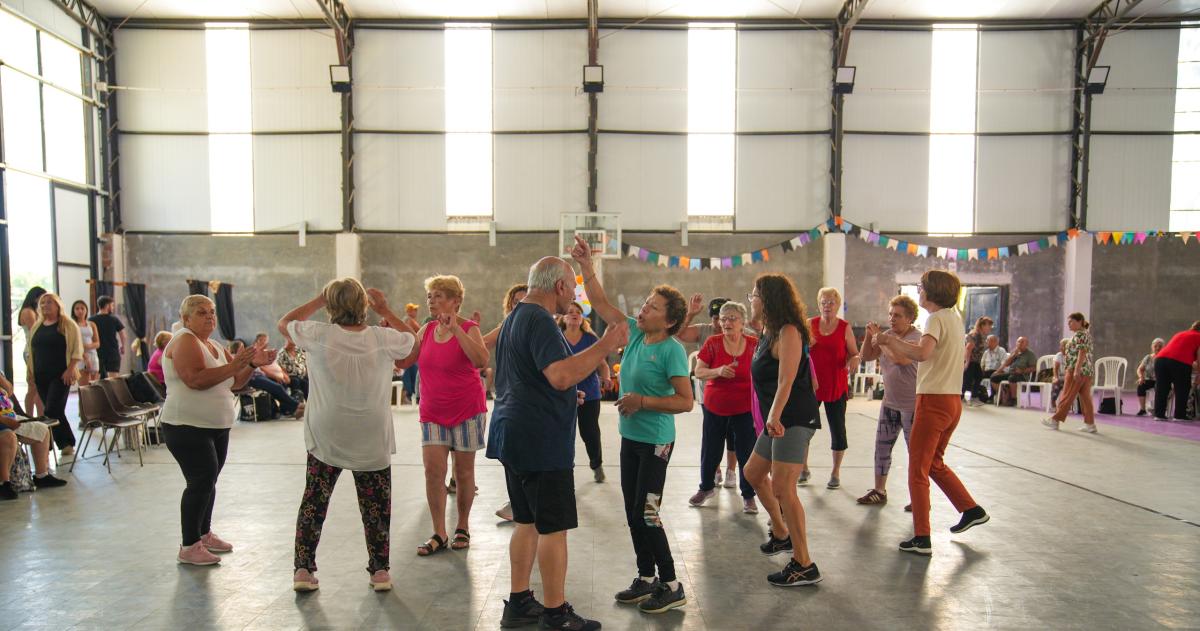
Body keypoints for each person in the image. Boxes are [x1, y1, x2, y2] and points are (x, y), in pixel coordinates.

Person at [487, 241, 627, 631]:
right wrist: (605, 344)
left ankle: (519, 603)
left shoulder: (517, 315)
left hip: (513, 431)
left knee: (527, 521)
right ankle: (555, 612)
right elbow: (561, 373)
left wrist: (565, 391)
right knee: (553, 527)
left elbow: (539, 375)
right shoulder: (540, 320)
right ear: (560, 287)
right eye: (572, 287)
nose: (573, 296)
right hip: (539, 438)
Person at [575, 240, 693, 614]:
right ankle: (646, 577)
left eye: (653, 307)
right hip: (632, 439)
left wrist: (642, 401)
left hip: (657, 442)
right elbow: (600, 302)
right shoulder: (637, 333)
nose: (643, 309)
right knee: (631, 509)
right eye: (645, 303)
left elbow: (686, 401)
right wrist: (586, 266)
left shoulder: (672, 349)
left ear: (670, 319)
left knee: (648, 512)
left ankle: (671, 582)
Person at [280, 280, 415, 592]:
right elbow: (413, 342)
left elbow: (284, 323)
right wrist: (385, 309)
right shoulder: (382, 338)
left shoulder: (317, 334)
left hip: (327, 432)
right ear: (364, 306)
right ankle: (379, 571)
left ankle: (303, 568)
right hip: (370, 432)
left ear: (330, 306)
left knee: (314, 501)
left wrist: (318, 298)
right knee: (376, 507)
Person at [873, 270, 989, 555]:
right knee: (934, 463)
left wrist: (888, 341)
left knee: (917, 469)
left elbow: (922, 353)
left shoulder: (935, 318)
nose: (919, 290)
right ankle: (970, 509)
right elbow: (925, 350)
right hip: (952, 401)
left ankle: (922, 536)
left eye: (921, 287)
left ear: (933, 291)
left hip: (933, 401)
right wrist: (893, 342)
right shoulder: (953, 317)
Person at [161, 295, 268, 566]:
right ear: (186, 319)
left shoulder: (214, 345)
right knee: (200, 480)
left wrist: (253, 365)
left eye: (212, 312)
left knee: (209, 481)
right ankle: (189, 545)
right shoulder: (185, 339)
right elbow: (195, 379)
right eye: (201, 313)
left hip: (215, 425)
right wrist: (234, 365)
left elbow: (234, 382)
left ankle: (203, 534)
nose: (209, 317)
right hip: (187, 425)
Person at [397, 275, 490, 556]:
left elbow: (481, 360)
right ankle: (439, 531)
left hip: (467, 410)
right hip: (433, 412)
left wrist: (457, 330)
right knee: (433, 472)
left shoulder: (469, 328)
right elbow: (404, 361)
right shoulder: (425, 330)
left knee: (463, 473)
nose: (432, 301)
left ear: (455, 301)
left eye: (439, 296)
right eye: (430, 296)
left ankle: (462, 525)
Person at [742, 273, 823, 586]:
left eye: (754, 294)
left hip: (793, 419)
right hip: (777, 421)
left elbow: (786, 379)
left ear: (768, 300)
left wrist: (774, 416)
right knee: (753, 473)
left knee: (783, 488)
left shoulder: (788, 332)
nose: (751, 299)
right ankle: (781, 531)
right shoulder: (768, 332)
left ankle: (804, 563)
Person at [688, 301, 759, 514]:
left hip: (745, 407)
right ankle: (706, 488)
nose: (726, 322)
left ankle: (748, 495)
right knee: (711, 449)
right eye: (723, 318)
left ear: (742, 322)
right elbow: (699, 372)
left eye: (732, 318)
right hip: (715, 405)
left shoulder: (754, 343)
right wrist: (718, 371)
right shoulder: (712, 343)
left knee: (746, 451)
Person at [856, 295, 922, 506]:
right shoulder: (887, 335)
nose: (892, 319)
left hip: (911, 406)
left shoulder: (917, 338)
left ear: (910, 318)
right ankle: (879, 490)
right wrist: (870, 337)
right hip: (890, 403)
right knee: (882, 448)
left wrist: (881, 339)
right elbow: (865, 356)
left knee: (916, 454)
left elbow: (900, 359)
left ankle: (919, 498)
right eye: (891, 314)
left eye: (898, 315)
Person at [677, 296, 739, 486]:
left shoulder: (738, 331)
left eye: (722, 318)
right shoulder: (704, 331)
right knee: (714, 435)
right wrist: (691, 314)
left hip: (734, 393)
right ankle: (716, 470)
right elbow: (679, 333)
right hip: (709, 395)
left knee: (733, 435)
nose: (719, 323)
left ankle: (731, 471)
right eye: (714, 318)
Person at [807, 287, 860, 490]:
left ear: (838, 305)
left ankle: (835, 472)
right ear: (818, 304)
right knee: (805, 428)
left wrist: (854, 360)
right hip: (812, 385)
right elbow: (798, 350)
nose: (827, 305)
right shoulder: (810, 324)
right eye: (823, 302)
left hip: (836, 385)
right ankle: (803, 468)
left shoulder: (844, 327)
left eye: (831, 302)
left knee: (838, 430)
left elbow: (854, 353)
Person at [485, 283, 528, 522]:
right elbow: (482, 345)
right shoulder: (505, 327)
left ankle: (519, 503)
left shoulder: (537, 327)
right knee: (506, 453)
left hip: (524, 402)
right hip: (505, 399)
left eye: (523, 302)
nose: (518, 307)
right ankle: (517, 500)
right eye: (514, 303)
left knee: (520, 454)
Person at [559, 301, 611, 484]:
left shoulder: (590, 339)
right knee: (563, 431)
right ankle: (563, 467)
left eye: (577, 312)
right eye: (570, 311)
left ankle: (596, 464)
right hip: (563, 393)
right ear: (563, 318)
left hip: (589, 394)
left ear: (582, 318)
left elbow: (603, 365)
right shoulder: (557, 338)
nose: (574, 314)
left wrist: (606, 378)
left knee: (589, 432)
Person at [28, 293, 83, 456]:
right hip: (41, 375)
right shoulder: (37, 326)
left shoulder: (68, 324)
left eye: (49, 302)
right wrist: (30, 373)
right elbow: (32, 352)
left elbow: (76, 349)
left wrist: (70, 369)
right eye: (42, 303)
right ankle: (64, 443)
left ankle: (60, 441)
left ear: (58, 305)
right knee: (55, 410)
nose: (45, 305)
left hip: (61, 375)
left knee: (51, 409)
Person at [0, 371, 67, 499]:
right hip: (3, 420)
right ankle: (4, 483)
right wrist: (4, 421)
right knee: (9, 437)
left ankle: (41, 476)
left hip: (9, 415)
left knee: (41, 429)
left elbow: (9, 391)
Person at [1043, 313, 1097, 433]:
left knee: (1067, 395)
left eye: (1071, 322)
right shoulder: (1084, 334)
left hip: (1076, 369)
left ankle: (1055, 420)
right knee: (1085, 398)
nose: (1069, 325)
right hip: (1087, 371)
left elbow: (1082, 352)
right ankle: (1090, 424)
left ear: (1080, 321)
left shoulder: (1080, 335)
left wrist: (1076, 370)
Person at [1154, 322, 1200, 421]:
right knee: (1182, 388)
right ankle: (1179, 416)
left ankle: (1159, 415)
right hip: (1179, 362)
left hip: (1160, 360)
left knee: (1162, 388)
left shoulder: (1180, 333)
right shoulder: (1199, 336)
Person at [17, 287, 48, 418]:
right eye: (43, 298)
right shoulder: (28, 312)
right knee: (33, 387)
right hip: (31, 352)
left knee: (39, 388)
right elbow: (35, 332)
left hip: (36, 351)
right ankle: (28, 417)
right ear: (36, 297)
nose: (44, 302)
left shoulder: (34, 311)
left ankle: (40, 417)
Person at [987, 337, 1037, 405]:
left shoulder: (1030, 354)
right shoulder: (1015, 352)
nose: (1020, 344)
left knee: (1012, 378)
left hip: (1022, 375)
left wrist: (1022, 371)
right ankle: (1002, 395)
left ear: (1027, 344)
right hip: (1011, 373)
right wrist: (1013, 355)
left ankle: (1013, 399)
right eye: (1018, 342)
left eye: (1022, 342)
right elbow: (1006, 364)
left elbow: (1034, 368)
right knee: (993, 377)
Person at [89, 295, 127, 378]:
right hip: (112, 352)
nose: (113, 308)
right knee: (113, 378)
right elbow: (123, 335)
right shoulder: (114, 319)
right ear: (107, 305)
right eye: (112, 305)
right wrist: (123, 346)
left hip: (97, 352)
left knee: (96, 379)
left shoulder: (91, 320)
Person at [962, 316, 993, 406]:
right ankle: (963, 398)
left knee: (978, 376)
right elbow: (968, 348)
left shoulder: (982, 336)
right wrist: (966, 362)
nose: (990, 327)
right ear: (982, 325)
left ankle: (974, 397)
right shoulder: (975, 335)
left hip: (976, 361)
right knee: (968, 379)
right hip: (970, 360)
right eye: (989, 325)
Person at [71, 300, 101, 387]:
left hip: (93, 355)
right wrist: (85, 357)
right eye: (77, 309)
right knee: (84, 387)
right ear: (73, 311)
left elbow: (97, 343)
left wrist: (87, 346)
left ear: (86, 310)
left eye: (82, 308)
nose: (80, 311)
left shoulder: (91, 324)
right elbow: (74, 344)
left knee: (94, 386)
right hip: (80, 356)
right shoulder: (73, 325)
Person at [399, 303, 422, 404]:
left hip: (406, 349)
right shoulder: (410, 321)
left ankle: (406, 395)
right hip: (410, 350)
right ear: (409, 311)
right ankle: (407, 395)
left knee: (409, 371)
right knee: (412, 371)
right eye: (414, 310)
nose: (416, 312)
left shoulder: (404, 320)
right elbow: (421, 331)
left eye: (416, 310)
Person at [1135, 338, 1165, 416]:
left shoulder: (1165, 357)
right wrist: (1141, 377)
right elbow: (1140, 369)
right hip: (1150, 379)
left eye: (1160, 346)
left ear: (1163, 347)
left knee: (1159, 387)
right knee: (1140, 385)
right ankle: (1142, 409)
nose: (1158, 348)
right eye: (1155, 346)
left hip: (1161, 380)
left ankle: (1158, 410)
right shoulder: (1148, 357)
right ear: (1152, 347)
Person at [978, 335, 1007, 403]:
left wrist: (998, 371)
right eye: (987, 341)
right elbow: (982, 365)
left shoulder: (1001, 351)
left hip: (997, 371)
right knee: (976, 375)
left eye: (988, 341)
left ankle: (993, 396)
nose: (987, 342)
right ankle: (982, 395)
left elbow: (1004, 364)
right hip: (987, 371)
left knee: (992, 375)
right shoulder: (986, 352)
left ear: (995, 342)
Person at [1050, 338, 1069, 405]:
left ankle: (1066, 404)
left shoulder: (1072, 356)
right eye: (1060, 346)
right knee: (1057, 383)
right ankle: (1053, 402)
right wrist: (1055, 377)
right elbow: (1055, 369)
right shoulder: (1059, 355)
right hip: (1059, 377)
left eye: (1061, 346)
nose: (1060, 347)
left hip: (1069, 378)